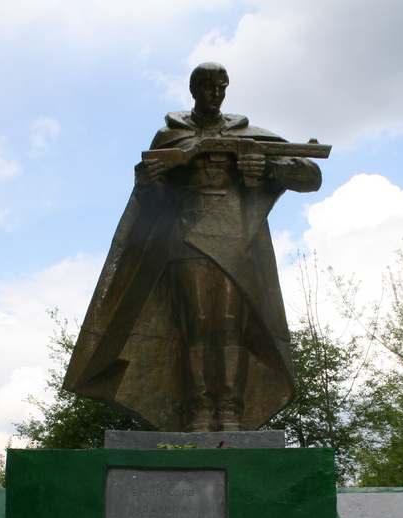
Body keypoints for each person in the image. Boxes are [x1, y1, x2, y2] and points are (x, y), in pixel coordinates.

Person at [64, 63, 324, 432]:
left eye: (221, 86)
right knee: (196, 326)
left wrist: (266, 169)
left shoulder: (249, 134)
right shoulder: (170, 135)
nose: (215, 93)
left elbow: (310, 176)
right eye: (207, 86)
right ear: (193, 90)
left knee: (231, 327)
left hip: (235, 240)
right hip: (184, 237)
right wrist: (146, 182)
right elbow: (155, 202)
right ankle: (200, 410)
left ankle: (231, 411)